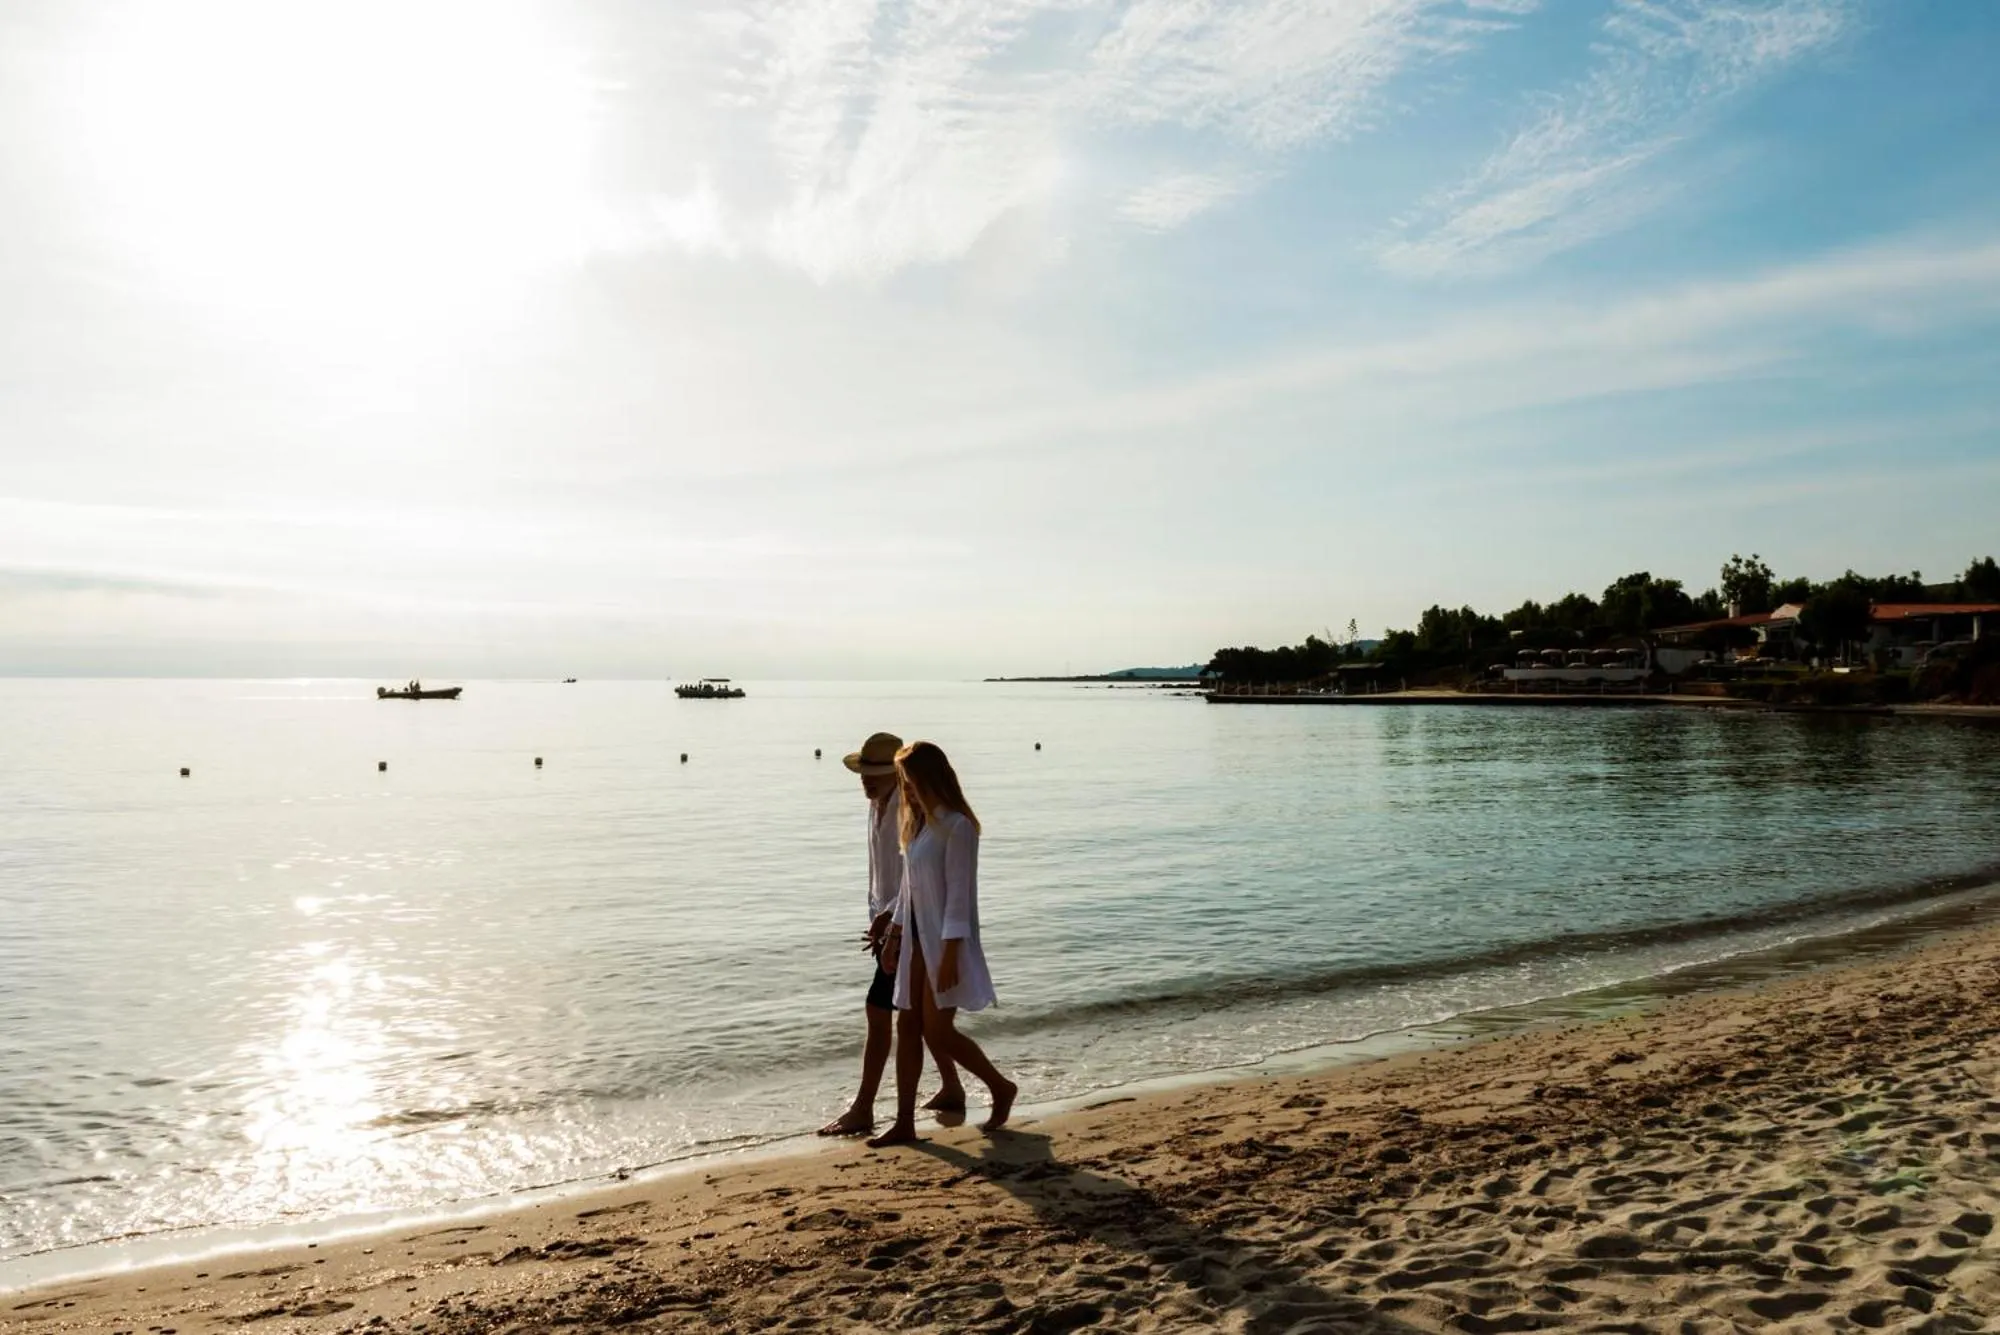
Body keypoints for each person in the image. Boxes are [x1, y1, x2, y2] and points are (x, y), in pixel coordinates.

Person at [868, 741, 1017, 1147]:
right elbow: (908, 889)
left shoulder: (957, 826)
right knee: (908, 1026)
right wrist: (894, 934)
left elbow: (957, 897)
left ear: (930, 777)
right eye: (903, 782)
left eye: (910, 780)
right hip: (916, 941)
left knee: (938, 1032)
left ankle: (1000, 1088)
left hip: (944, 943)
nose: (908, 789)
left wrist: (952, 953)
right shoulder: (917, 826)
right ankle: (903, 1123)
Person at [818, 732, 964, 1136]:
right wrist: (877, 916)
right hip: (890, 926)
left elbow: (915, 877)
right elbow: (880, 871)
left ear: (897, 775)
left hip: (908, 926)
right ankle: (952, 1088)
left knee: (883, 1013)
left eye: (876, 773)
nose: (866, 780)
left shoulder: (908, 807)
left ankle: (864, 1108)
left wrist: (893, 923)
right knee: (913, 1016)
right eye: (863, 773)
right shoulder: (876, 806)